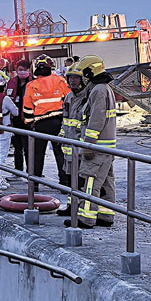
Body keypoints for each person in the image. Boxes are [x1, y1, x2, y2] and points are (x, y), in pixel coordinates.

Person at [66, 55, 117, 229]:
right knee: (106, 182)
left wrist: (88, 144)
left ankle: (86, 218)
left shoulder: (98, 90)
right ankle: (105, 215)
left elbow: (96, 119)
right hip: (106, 146)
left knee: (91, 181)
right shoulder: (104, 88)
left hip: (97, 146)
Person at [23, 54, 69, 184]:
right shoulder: (60, 80)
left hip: (40, 124)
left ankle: (35, 183)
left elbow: (27, 108)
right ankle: (64, 181)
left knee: (37, 155)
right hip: (58, 122)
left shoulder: (31, 85)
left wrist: (29, 123)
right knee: (60, 153)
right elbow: (69, 99)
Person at [57, 63, 89, 216]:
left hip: (81, 146)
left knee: (81, 180)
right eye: (70, 78)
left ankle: (80, 208)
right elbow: (66, 120)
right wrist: (61, 136)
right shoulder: (69, 97)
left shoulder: (88, 97)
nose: (73, 81)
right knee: (70, 179)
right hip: (69, 146)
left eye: (76, 78)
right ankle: (71, 206)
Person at [6, 60, 33, 176]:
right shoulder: (12, 82)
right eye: (20, 70)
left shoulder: (33, 83)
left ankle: (30, 171)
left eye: (24, 70)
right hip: (15, 119)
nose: (22, 72)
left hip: (28, 119)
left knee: (28, 148)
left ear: (29, 70)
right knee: (17, 147)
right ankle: (18, 170)